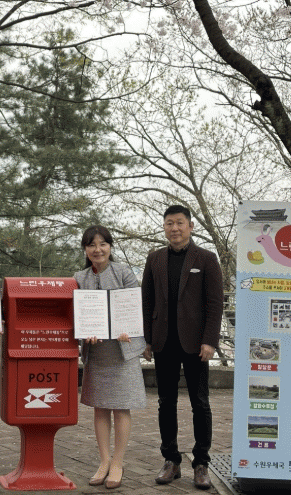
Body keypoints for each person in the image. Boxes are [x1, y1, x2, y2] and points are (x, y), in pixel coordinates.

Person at [141, 205, 223, 490]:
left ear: (190, 226)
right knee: (166, 402)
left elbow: (215, 304)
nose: (174, 228)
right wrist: (147, 339)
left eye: (179, 223)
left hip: (196, 343)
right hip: (164, 341)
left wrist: (210, 340)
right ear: (164, 227)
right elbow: (146, 301)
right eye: (169, 223)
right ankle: (171, 460)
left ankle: (201, 463)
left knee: (200, 402)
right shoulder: (154, 259)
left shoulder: (206, 258)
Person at [74, 225, 146, 490]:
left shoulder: (123, 272)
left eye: (103, 244)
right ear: (85, 249)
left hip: (122, 351)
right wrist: (85, 333)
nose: (97, 250)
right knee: (100, 407)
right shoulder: (79, 277)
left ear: (110, 246)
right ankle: (104, 461)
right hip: (97, 352)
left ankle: (118, 462)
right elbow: (77, 313)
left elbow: (133, 307)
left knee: (121, 406)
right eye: (92, 245)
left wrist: (127, 329)